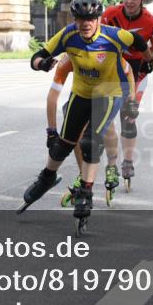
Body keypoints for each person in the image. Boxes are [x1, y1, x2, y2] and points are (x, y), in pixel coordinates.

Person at [21, 0, 152, 232]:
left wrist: (148, 61)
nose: (85, 23)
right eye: (80, 18)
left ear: (99, 18)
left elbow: (139, 41)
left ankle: (86, 191)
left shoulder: (113, 36)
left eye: (91, 18)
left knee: (91, 141)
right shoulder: (68, 35)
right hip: (81, 94)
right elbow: (36, 56)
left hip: (111, 92)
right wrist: (41, 64)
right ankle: (47, 178)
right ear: (74, 19)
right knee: (62, 144)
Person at [45, 54, 136, 206]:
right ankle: (84, 176)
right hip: (83, 93)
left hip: (110, 87)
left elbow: (129, 71)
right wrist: (52, 131)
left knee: (105, 123)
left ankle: (112, 166)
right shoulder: (68, 59)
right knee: (74, 130)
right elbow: (52, 97)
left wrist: (132, 99)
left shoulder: (106, 52)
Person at [101, 0, 153, 191]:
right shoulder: (110, 14)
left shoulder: (150, 21)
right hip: (113, 65)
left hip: (137, 68)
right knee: (107, 113)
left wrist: (147, 59)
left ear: (141, 0)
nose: (129, 1)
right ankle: (111, 160)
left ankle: (127, 161)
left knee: (128, 115)